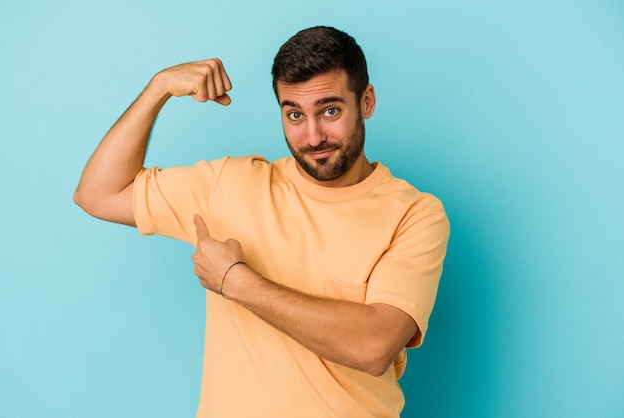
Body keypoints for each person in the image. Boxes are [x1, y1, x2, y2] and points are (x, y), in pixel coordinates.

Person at [74, 26, 450, 417]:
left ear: (367, 101)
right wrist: (158, 89)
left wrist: (236, 281)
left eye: (330, 111)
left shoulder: (414, 213)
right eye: (294, 114)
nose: (313, 135)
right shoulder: (230, 185)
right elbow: (98, 194)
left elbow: (374, 347)